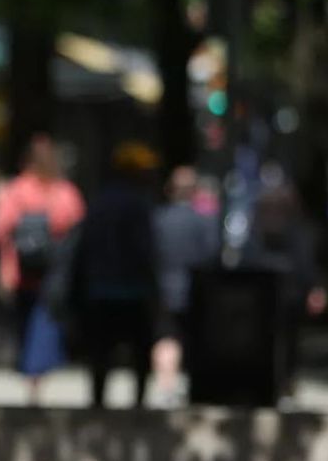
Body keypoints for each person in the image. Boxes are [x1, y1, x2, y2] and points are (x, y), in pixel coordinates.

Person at [0, 135, 85, 404]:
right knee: (43, 323)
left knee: (27, 322)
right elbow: (76, 224)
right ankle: (35, 375)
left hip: (19, 272)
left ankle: (31, 374)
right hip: (52, 275)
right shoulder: (64, 192)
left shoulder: (15, 191)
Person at [68, 143, 160, 409]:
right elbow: (146, 251)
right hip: (131, 291)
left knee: (100, 353)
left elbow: (82, 251)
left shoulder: (99, 203)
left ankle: (98, 401)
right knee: (139, 351)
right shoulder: (139, 206)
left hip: (100, 290)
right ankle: (139, 402)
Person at [240, 165, 326, 403]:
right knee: (288, 341)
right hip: (289, 290)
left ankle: (274, 382)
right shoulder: (296, 223)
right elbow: (306, 259)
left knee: (270, 340)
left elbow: (250, 256)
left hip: (269, 290)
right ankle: (285, 382)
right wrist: (314, 288)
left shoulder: (259, 221)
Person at [151, 166, 218, 406]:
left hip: (164, 288)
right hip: (195, 288)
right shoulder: (204, 221)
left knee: (166, 338)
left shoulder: (158, 219)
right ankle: (191, 387)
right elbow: (212, 255)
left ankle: (166, 387)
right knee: (193, 340)